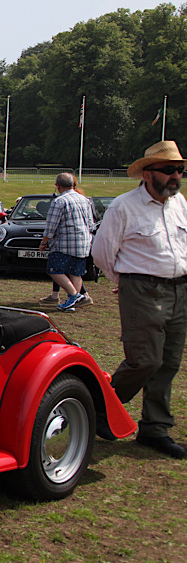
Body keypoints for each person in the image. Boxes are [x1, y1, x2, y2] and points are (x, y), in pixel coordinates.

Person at [92, 140, 187, 458]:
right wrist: (127, 283)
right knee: (145, 360)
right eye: (168, 170)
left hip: (178, 290)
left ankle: (154, 429)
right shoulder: (124, 206)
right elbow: (103, 253)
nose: (175, 176)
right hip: (143, 290)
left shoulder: (179, 203)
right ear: (147, 174)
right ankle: (100, 411)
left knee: (168, 363)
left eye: (180, 170)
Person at [38, 172, 95, 311]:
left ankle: (74, 295)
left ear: (58, 186)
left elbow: (51, 225)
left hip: (65, 243)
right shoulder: (84, 199)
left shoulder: (59, 201)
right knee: (76, 272)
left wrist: (44, 242)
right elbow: (90, 223)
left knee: (54, 270)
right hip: (84, 242)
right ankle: (71, 302)